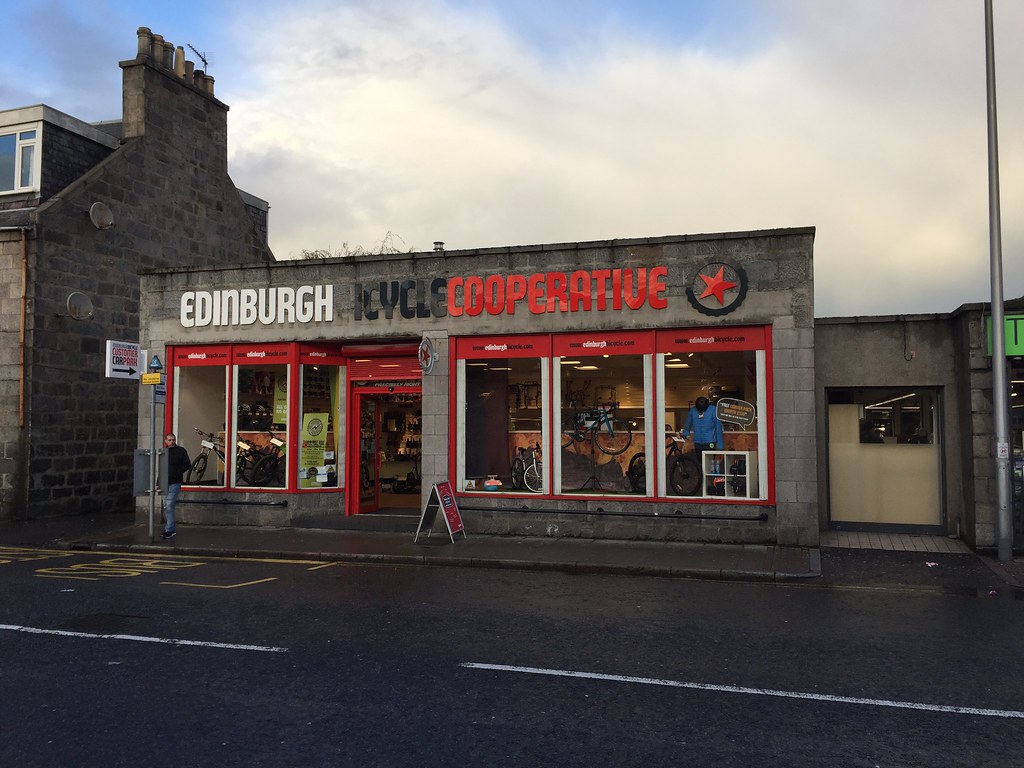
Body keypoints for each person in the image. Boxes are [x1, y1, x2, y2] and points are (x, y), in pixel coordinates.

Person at [163, 433, 191, 540]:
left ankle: (170, 529)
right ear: (166, 441)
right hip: (164, 482)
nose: (172, 442)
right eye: (169, 440)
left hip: (175, 482)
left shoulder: (181, 451)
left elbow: (187, 464)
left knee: (169, 505)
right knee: (166, 506)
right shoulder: (164, 452)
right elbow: (161, 468)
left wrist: (177, 473)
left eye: (173, 440)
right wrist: (158, 482)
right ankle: (169, 528)